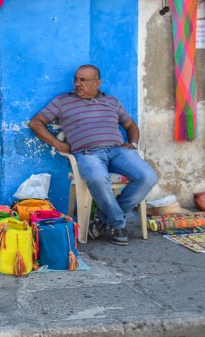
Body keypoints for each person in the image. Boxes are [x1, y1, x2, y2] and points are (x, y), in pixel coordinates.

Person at [29, 64, 158, 246]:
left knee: (148, 176)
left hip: (118, 151)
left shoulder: (111, 102)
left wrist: (134, 144)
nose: (77, 84)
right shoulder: (62, 102)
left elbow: (130, 125)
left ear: (98, 82)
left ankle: (103, 219)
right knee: (98, 178)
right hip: (87, 154)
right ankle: (117, 224)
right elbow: (36, 123)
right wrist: (58, 144)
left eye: (83, 80)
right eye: (76, 79)